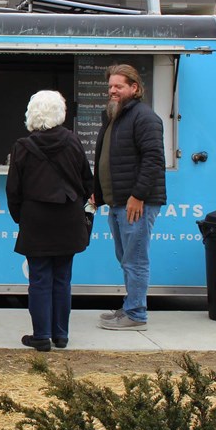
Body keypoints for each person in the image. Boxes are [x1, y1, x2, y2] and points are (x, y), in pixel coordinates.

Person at [6, 90, 93, 351]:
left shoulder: (22, 147)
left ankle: (41, 336)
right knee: (63, 278)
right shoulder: (74, 142)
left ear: (32, 114)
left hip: (36, 218)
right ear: (61, 113)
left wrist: (21, 217)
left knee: (40, 279)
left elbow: (13, 190)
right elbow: (87, 182)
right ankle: (61, 335)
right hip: (68, 216)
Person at [93, 63, 166, 331]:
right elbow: (108, 158)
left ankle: (136, 313)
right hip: (119, 201)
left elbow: (153, 160)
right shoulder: (115, 116)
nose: (112, 90)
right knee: (126, 257)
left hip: (135, 203)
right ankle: (129, 307)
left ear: (134, 88)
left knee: (135, 259)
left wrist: (138, 196)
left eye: (118, 86)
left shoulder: (144, 117)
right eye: (110, 86)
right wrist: (98, 193)